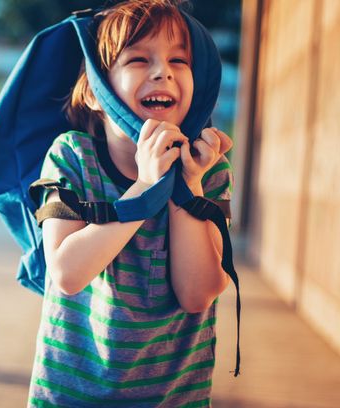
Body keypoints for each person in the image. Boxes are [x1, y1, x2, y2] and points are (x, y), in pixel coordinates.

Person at [27, 0, 234, 406]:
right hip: (72, 395)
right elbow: (67, 273)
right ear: (94, 90)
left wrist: (185, 184)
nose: (164, 71)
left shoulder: (208, 168)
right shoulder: (72, 156)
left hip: (174, 397)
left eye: (180, 60)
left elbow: (198, 294)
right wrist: (145, 186)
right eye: (139, 59)